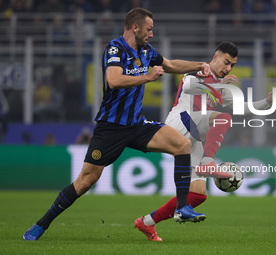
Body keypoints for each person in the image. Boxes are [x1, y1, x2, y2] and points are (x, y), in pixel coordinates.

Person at [23, 7, 212, 241]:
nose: (151, 34)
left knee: (182, 145)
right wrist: (148, 77)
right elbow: (113, 80)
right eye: (149, 29)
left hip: (136, 124)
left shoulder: (146, 51)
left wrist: (200, 66)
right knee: (85, 181)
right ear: (135, 27)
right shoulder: (115, 48)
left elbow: (170, 65)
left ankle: (183, 208)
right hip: (111, 128)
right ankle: (41, 225)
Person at [134, 41, 276, 241]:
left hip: (194, 137)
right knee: (222, 118)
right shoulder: (200, 70)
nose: (228, 68)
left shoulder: (221, 85)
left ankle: (147, 222)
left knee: (198, 195)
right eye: (226, 62)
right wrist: (219, 85)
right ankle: (208, 162)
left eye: (232, 65)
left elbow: (242, 107)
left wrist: (267, 102)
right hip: (180, 122)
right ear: (215, 57)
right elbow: (188, 86)